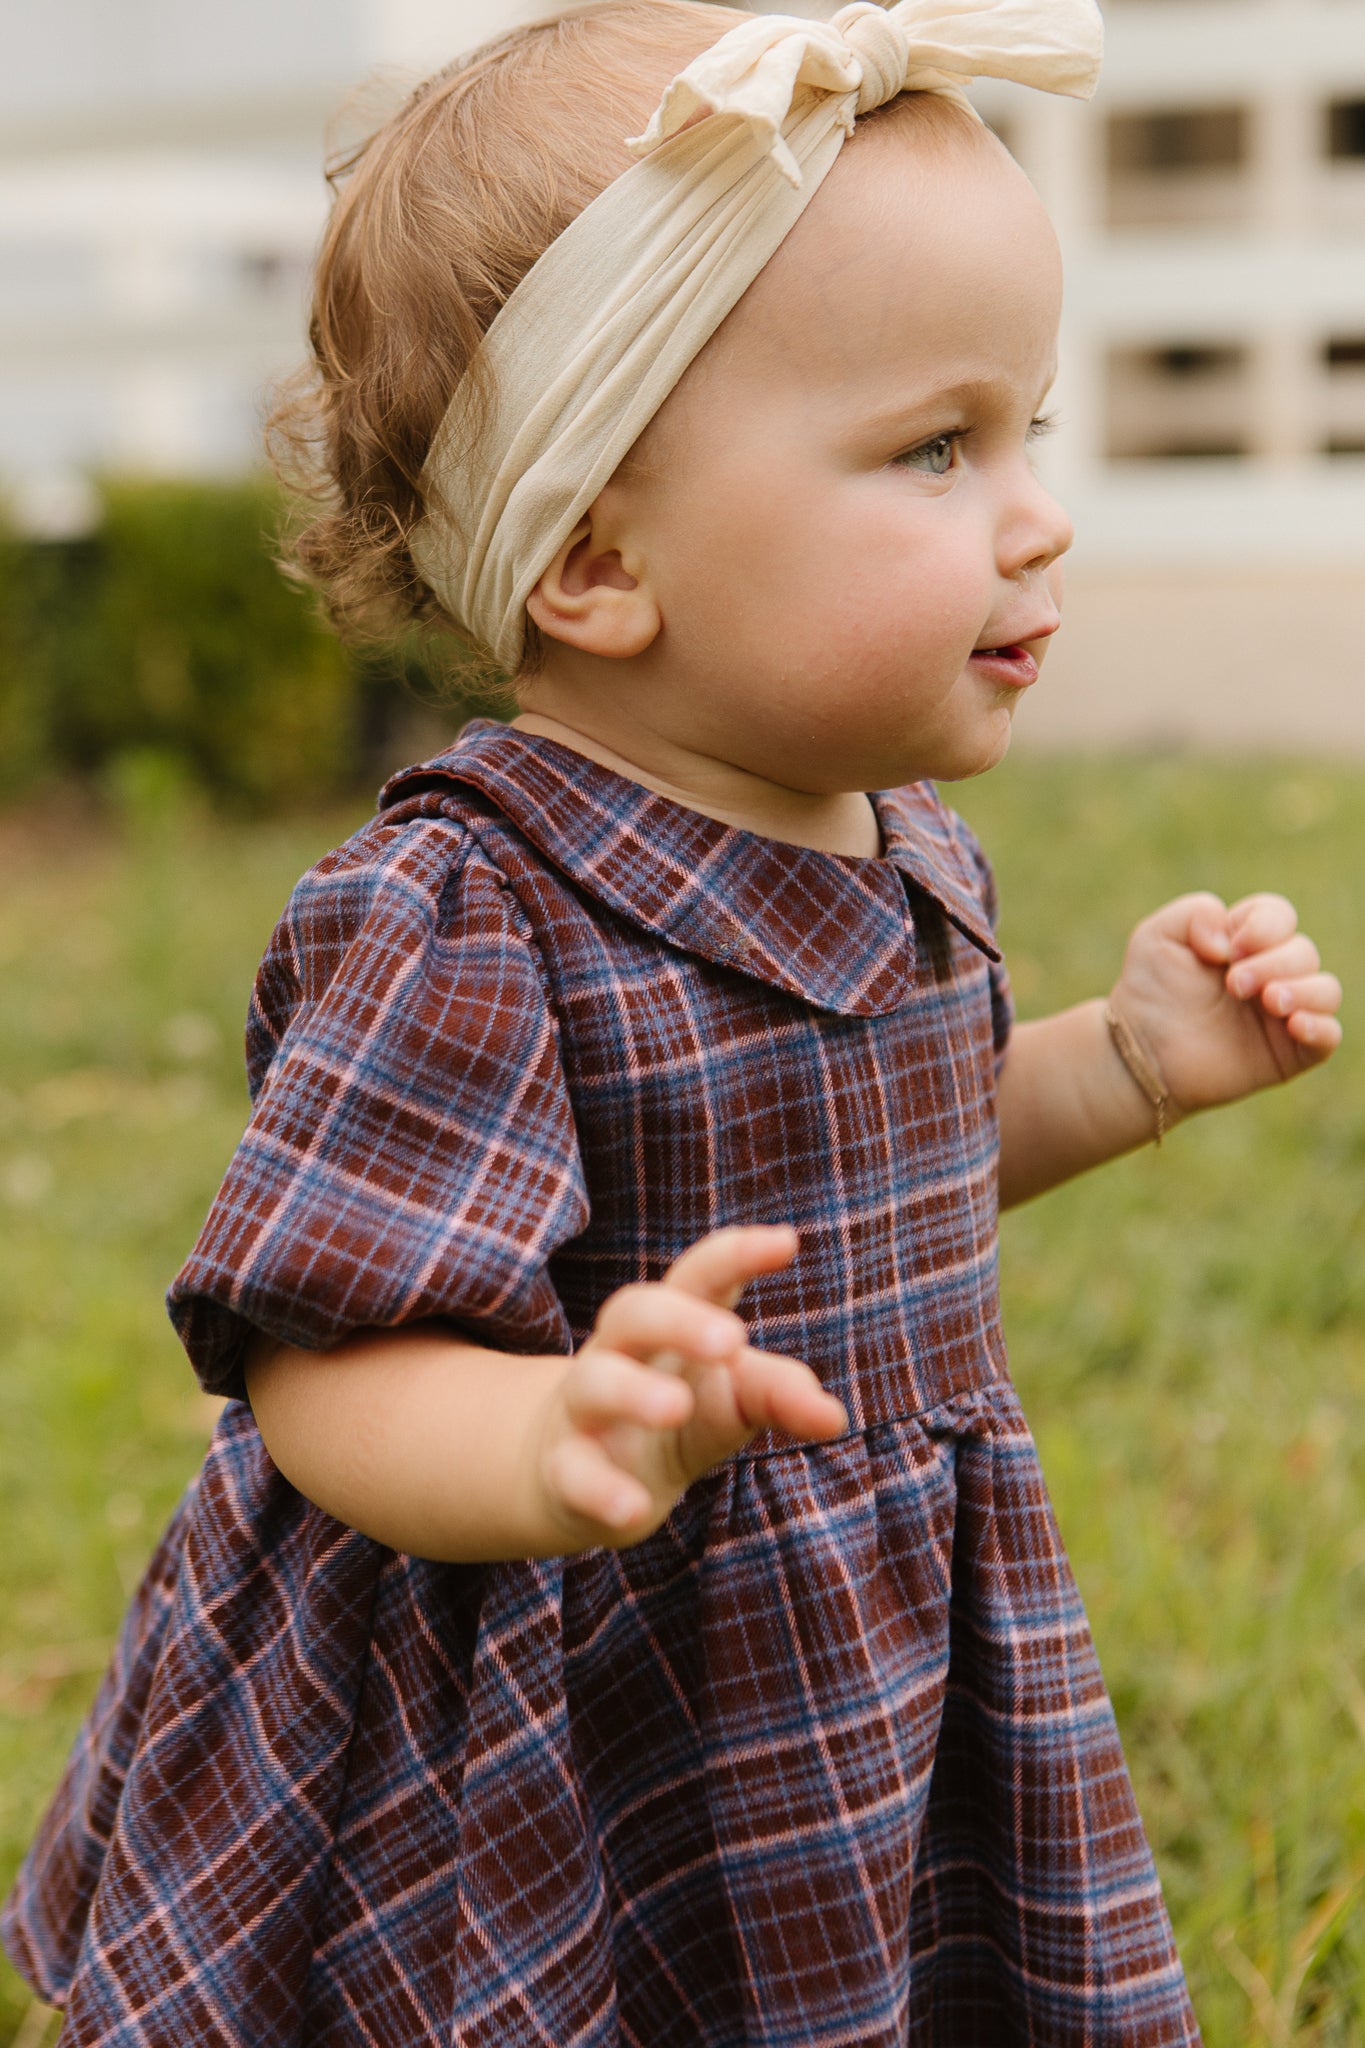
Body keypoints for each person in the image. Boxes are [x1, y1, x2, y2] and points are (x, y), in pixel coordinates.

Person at [3, 3, 1344, 2042]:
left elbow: (888, 1169)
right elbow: (324, 1356)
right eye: (928, 447)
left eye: (1025, 434)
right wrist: (551, 1436)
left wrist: (1126, 1065)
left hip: (842, 1649)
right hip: (547, 1661)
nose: (1030, 513)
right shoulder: (473, 912)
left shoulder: (897, 853)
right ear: (604, 556)